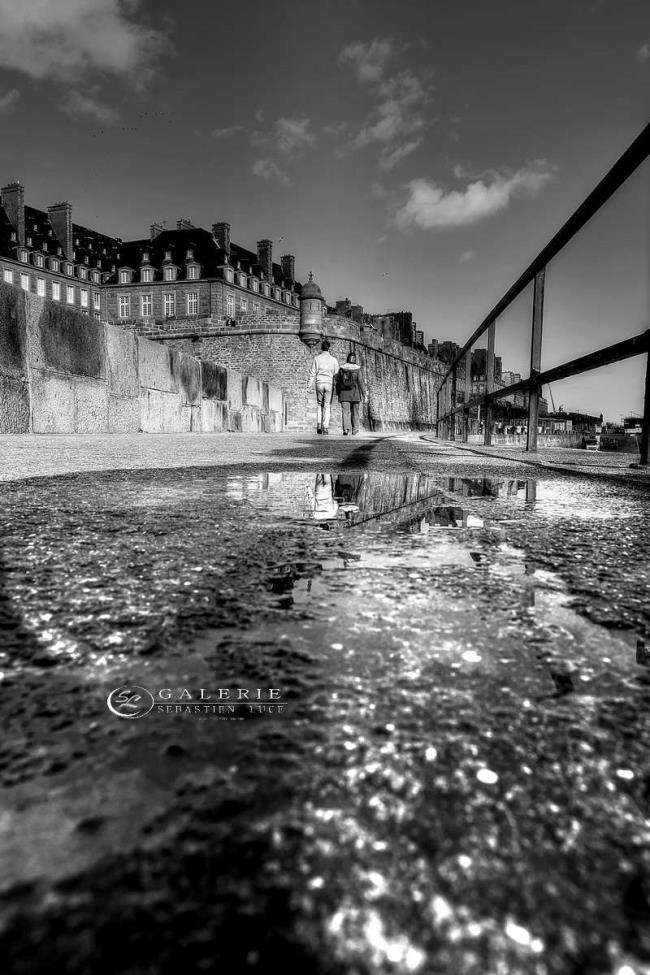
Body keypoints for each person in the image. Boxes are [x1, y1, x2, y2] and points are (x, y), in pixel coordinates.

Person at [306, 340, 339, 435]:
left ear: (321, 348)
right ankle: (326, 426)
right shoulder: (334, 360)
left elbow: (312, 373)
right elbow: (336, 375)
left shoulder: (317, 359)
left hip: (319, 383)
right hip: (329, 383)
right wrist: (336, 387)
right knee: (327, 405)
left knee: (319, 404)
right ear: (329, 348)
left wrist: (309, 386)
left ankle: (319, 425)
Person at [336, 351, 366, 435]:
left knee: (345, 411)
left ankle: (346, 429)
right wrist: (364, 394)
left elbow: (338, 381)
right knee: (355, 412)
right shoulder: (357, 369)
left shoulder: (342, 368)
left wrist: (338, 393)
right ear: (355, 359)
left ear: (347, 359)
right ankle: (355, 429)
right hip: (355, 393)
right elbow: (361, 382)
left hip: (344, 393)